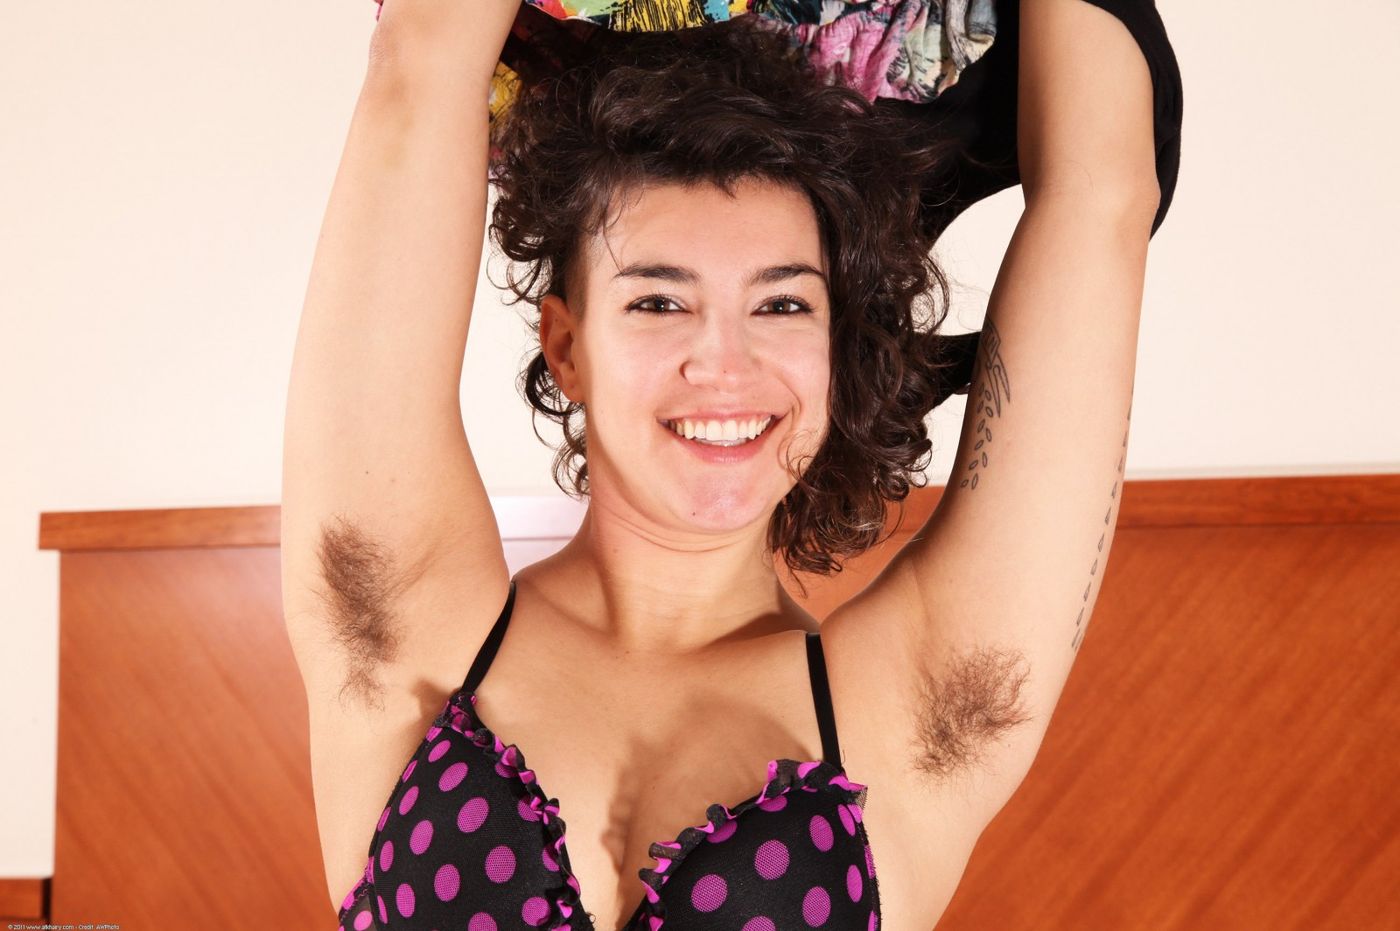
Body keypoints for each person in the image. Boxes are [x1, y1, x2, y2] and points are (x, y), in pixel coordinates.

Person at [280, 1, 1175, 928]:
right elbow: (421, 63)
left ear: (836, 349)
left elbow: (1100, 195)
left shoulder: (918, 716)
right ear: (567, 345)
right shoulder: (400, 623)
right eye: (659, 302)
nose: (725, 365)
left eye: (783, 305)